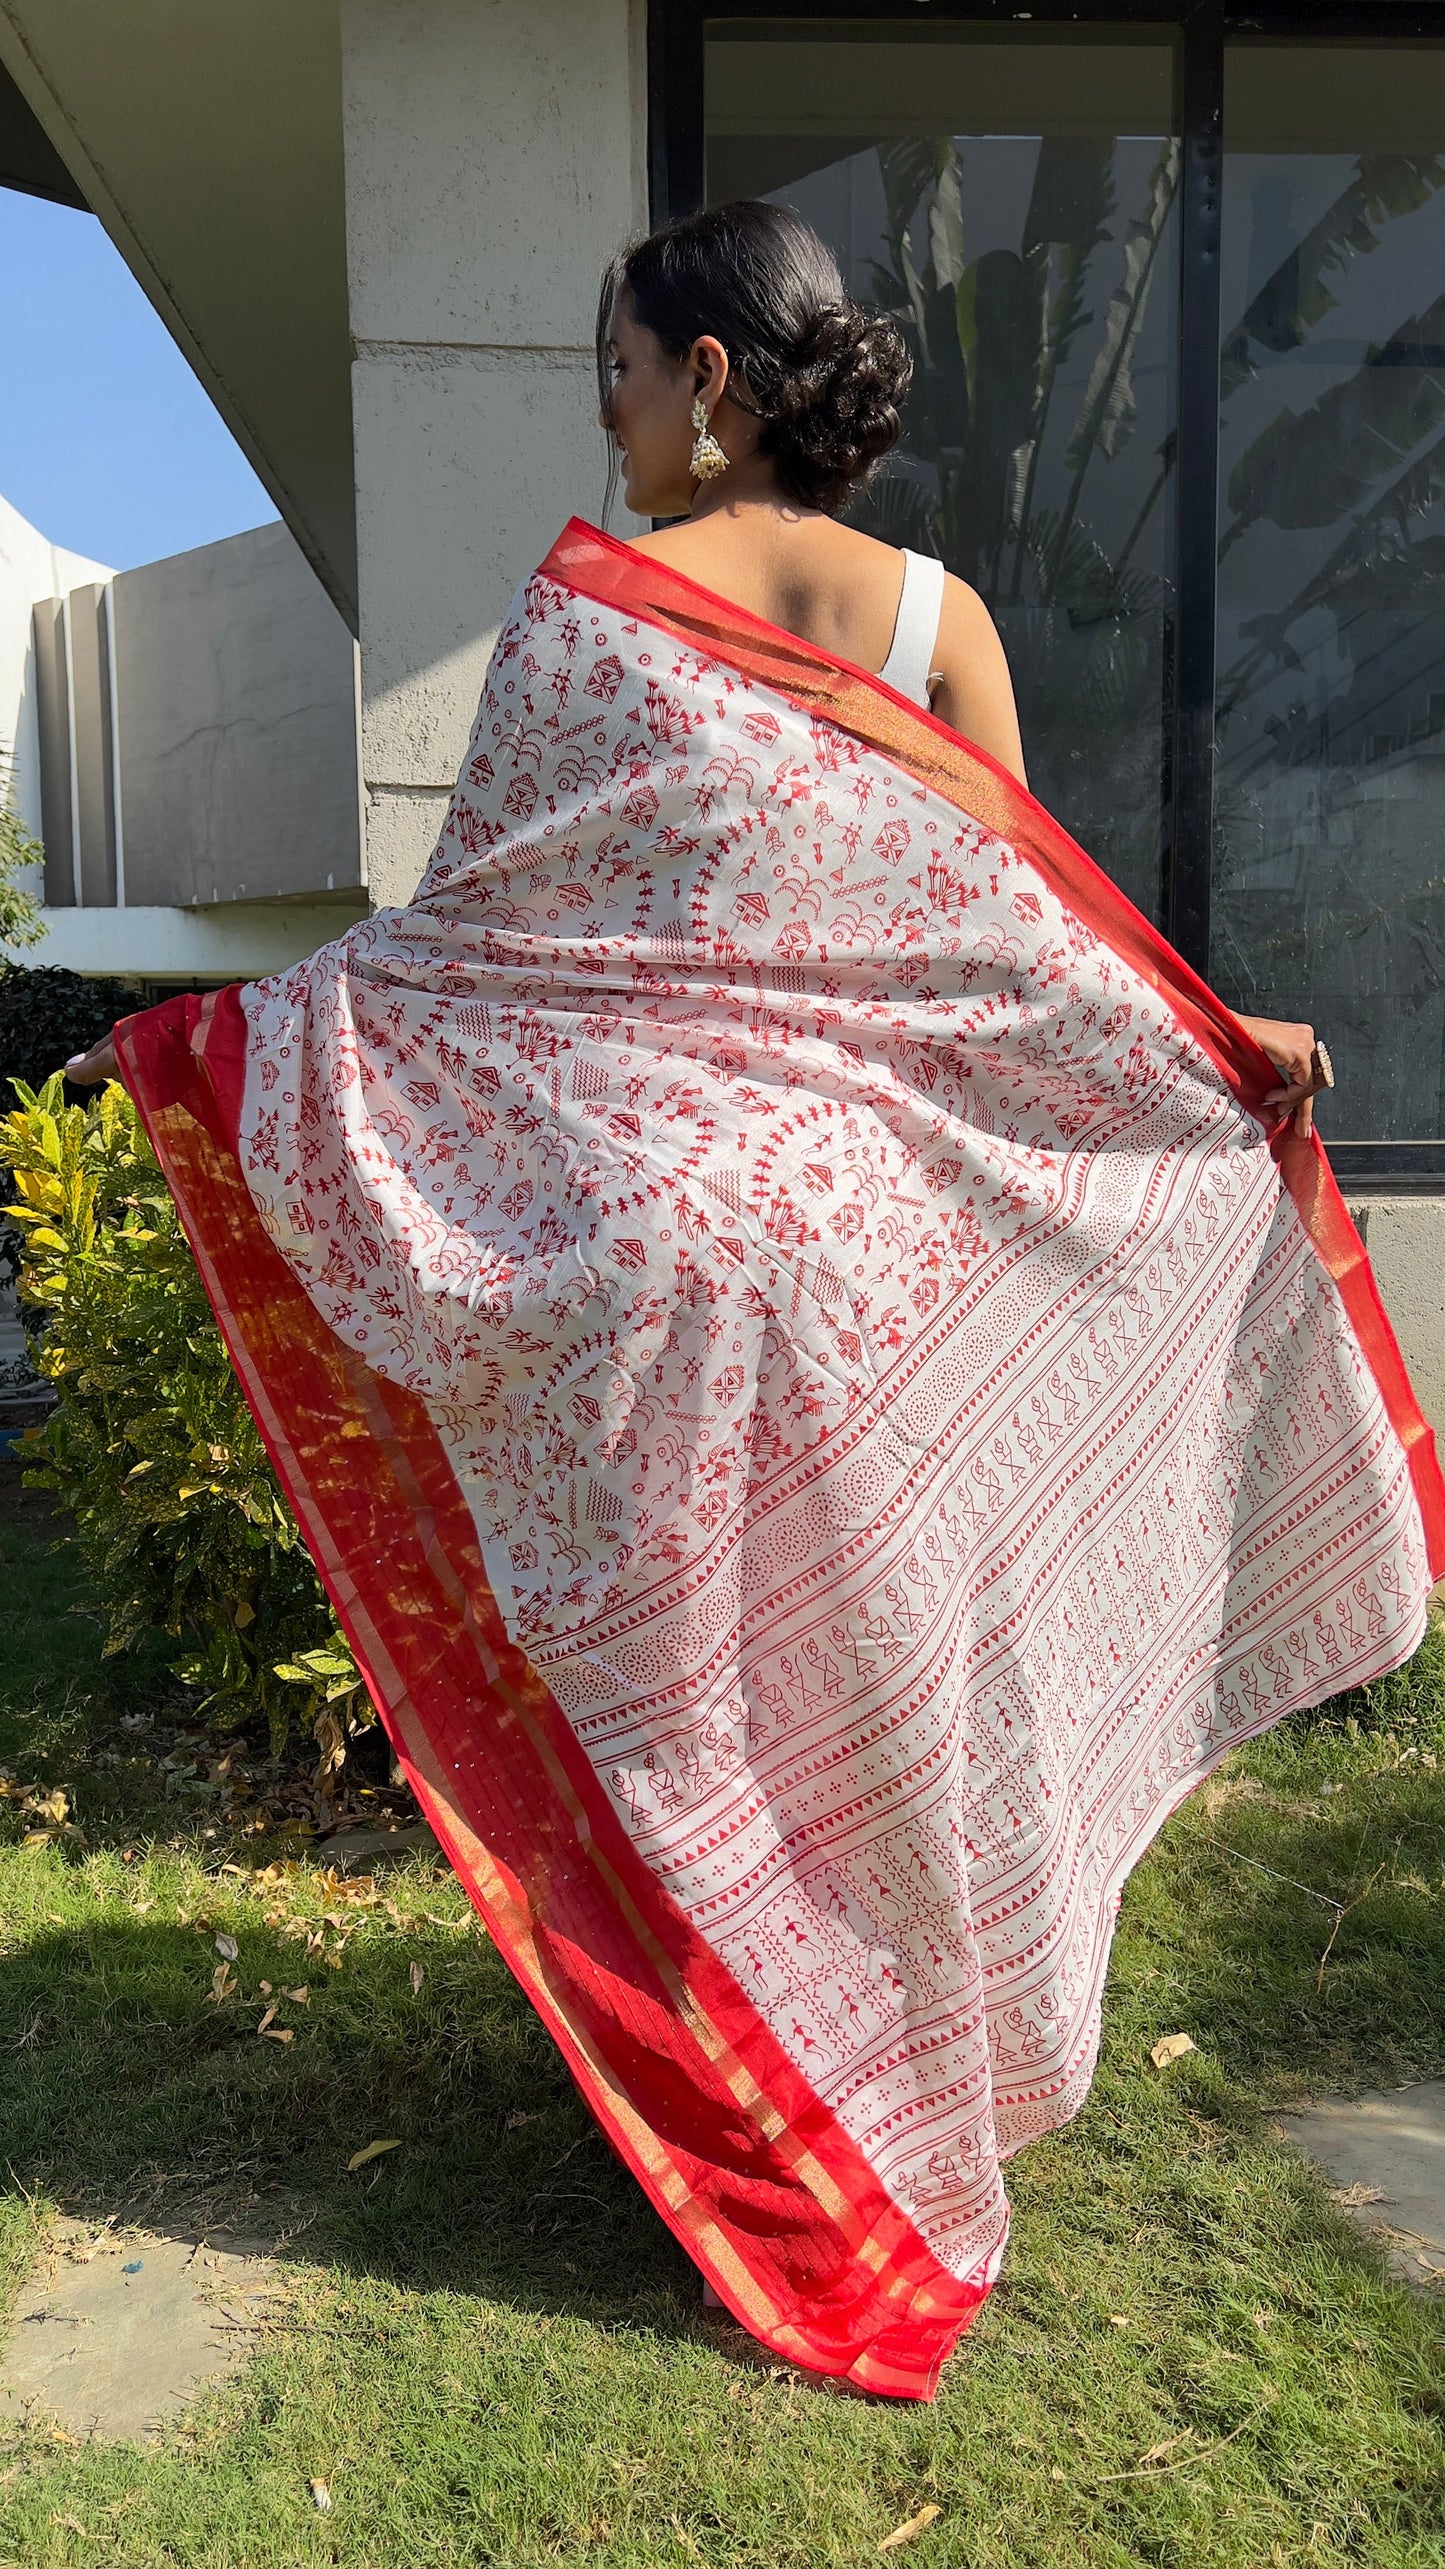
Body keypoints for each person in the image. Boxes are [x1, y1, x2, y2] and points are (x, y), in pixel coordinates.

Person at [65, 202, 1441, 2399]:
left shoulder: (594, 619)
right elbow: (1027, 961)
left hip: (662, 1285)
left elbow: (478, 962)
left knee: (703, 1717)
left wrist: (217, 1051)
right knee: (901, 1711)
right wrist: (1226, 1054)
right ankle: (933, 2084)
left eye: (618, 368)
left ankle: (754, 2127)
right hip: (886, 1287)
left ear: (713, 383)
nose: (602, 417)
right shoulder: (943, 623)